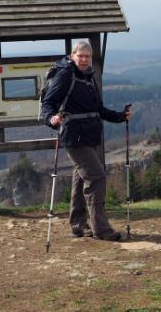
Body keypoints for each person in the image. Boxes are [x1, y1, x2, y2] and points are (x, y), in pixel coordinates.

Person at [41, 41, 131, 241]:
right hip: (74, 136)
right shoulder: (65, 74)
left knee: (81, 177)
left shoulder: (89, 77)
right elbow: (48, 102)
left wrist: (120, 116)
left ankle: (78, 225)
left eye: (87, 57)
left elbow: (99, 109)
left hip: (89, 135)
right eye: (80, 56)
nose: (83, 60)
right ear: (73, 56)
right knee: (96, 176)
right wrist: (51, 119)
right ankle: (102, 229)